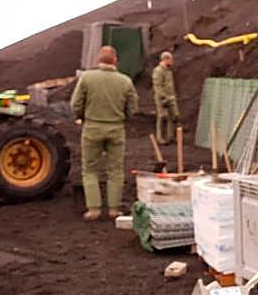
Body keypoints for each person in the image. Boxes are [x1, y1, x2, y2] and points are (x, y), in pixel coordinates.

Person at [70, 45, 138, 221]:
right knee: (115, 170)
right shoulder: (125, 81)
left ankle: (94, 209)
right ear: (115, 60)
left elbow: (75, 104)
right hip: (116, 129)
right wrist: (122, 118)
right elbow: (133, 108)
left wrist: (82, 117)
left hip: (92, 128)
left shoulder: (87, 78)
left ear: (98, 60)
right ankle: (114, 209)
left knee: (90, 170)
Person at [151, 51, 179, 145]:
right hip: (162, 97)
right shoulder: (158, 71)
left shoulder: (168, 71)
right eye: (171, 60)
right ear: (166, 59)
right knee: (162, 116)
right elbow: (157, 86)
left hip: (170, 96)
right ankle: (160, 138)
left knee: (173, 116)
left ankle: (170, 136)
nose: (172, 62)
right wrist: (163, 97)